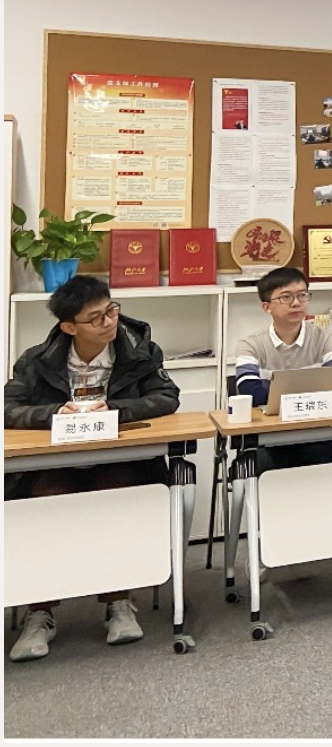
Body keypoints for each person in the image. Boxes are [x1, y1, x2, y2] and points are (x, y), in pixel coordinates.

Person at [4, 275, 180, 661]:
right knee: (46, 499)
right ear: (69, 327)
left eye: (111, 310)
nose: (109, 321)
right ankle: (40, 611)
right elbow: (8, 409)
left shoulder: (140, 351)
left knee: (114, 492)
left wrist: (116, 409)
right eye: (96, 317)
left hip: (118, 459)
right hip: (53, 462)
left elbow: (167, 397)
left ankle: (117, 601)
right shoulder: (36, 360)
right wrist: (54, 413)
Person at [234, 267, 332, 471]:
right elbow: (250, 392)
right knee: (262, 466)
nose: (296, 303)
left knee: (323, 463)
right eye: (286, 297)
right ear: (266, 307)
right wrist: (307, 398)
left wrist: (280, 399)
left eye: (302, 295)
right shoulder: (250, 344)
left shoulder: (325, 337)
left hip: (313, 433)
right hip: (267, 435)